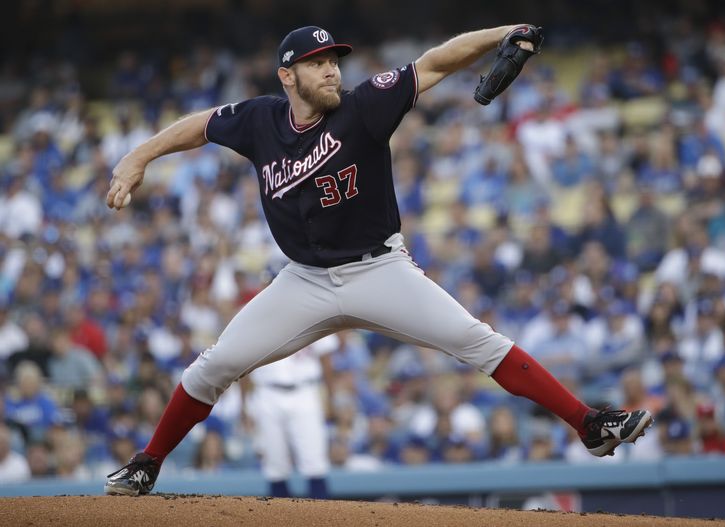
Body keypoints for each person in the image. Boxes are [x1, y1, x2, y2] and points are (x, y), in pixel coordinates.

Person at [104, 24, 652, 496]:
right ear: (287, 76)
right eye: (316, 63)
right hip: (304, 281)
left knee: (477, 340)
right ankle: (147, 463)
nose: (331, 72)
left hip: (379, 270)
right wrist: (138, 155)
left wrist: (502, 33)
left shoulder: (365, 107)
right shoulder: (259, 121)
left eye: (333, 61)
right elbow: (201, 124)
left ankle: (589, 422)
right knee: (214, 366)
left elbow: (435, 62)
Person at [247, 334, 338, 499]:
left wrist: (331, 398)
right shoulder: (258, 314)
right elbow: (244, 361)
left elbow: (326, 358)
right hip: (267, 392)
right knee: (275, 464)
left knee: (314, 460)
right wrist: (244, 405)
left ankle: (323, 519)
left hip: (305, 390)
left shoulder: (314, 310)